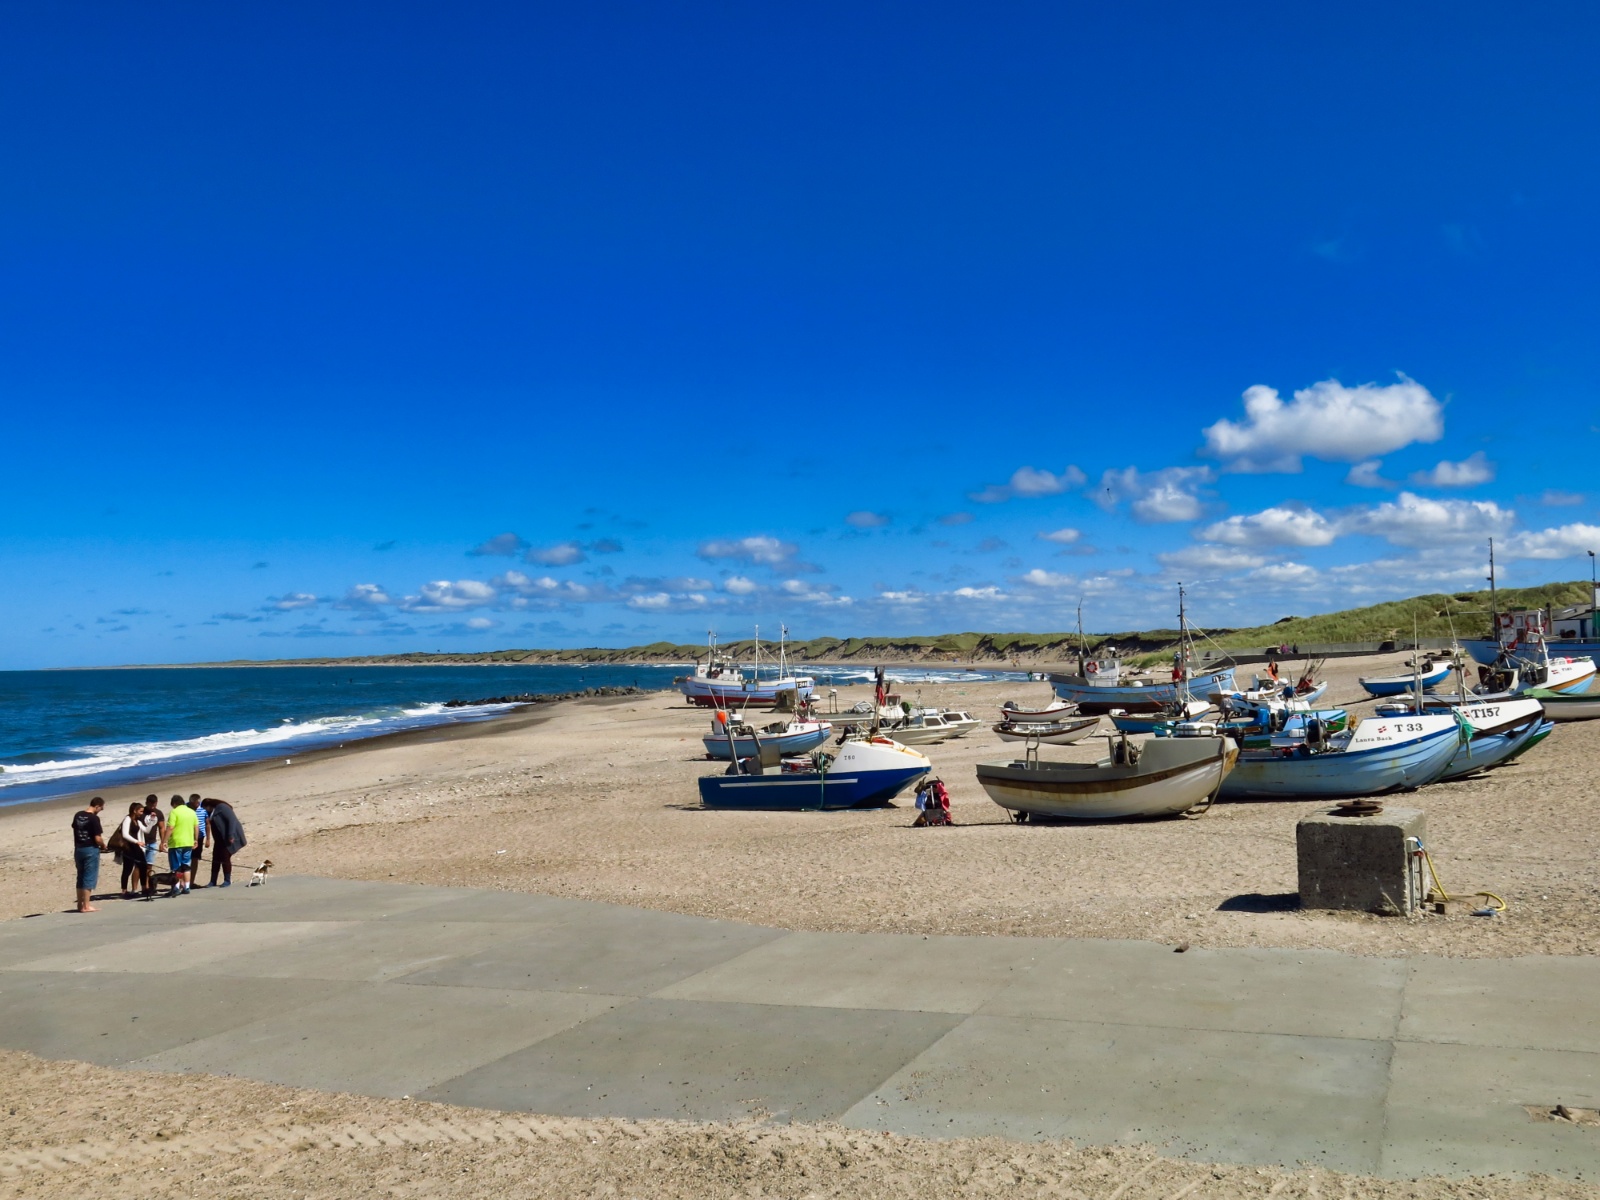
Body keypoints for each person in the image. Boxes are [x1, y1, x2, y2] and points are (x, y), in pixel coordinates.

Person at [71, 797, 106, 913]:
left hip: (78, 848)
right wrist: (103, 845)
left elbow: (75, 828)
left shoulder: (78, 815)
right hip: (90, 849)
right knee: (89, 877)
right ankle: (86, 905)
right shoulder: (94, 818)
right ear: (97, 806)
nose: (100, 810)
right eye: (101, 808)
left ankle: (80, 904)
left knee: (80, 876)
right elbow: (97, 838)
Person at [202, 798, 247, 887]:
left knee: (225, 857)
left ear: (209, 806)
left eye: (204, 808)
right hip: (219, 839)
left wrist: (231, 835)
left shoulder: (222, 807)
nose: (204, 810)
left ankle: (227, 880)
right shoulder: (211, 813)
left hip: (228, 837)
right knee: (215, 858)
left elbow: (232, 821)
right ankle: (213, 881)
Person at [165, 794, 199, 896]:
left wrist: (164, 841)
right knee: (186, 866)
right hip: (188, 842)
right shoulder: (191, 812)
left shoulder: (174, 812)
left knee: (176, 867)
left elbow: (170, 827)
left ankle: (176, 887)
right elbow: (196, 827)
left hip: (176, 843)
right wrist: (195, 839)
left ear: (174, 803)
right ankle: (187, 887)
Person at [116, 801, 146, 898]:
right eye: (141, 811)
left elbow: (146, 830)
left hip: (136, 846)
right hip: (128, 847)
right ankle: (124, 891)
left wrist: (152, 820)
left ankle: (144, 888)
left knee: (143, 865)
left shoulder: (137, 821)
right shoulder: (127, 819)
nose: (142, 813)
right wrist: (136, 841)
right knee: (127, 869)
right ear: (134, 811)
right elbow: (125, 835)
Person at [139, 797, 164, 899]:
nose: (153, 807)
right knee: (139, 866)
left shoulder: (158, 813)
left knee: (149, 866)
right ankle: (141, 887)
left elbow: (162, 827)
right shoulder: (142, 812)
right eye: (151, 805)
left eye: (154, 805)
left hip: (152, 842)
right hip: (141, 842)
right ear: (147, 803)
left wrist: (163, 842)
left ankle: (149, 887)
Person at [187, 794, 208, 885]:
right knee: (185, 859)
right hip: (187, 837)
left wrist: (208, 839)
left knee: (195, 859)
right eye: (194, 805)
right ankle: (183, 882)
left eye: (197, 804)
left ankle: (191, 882)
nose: (196, 806)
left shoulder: (203, 810)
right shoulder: (185, 808)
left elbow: (207, 824)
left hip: (199, 837)